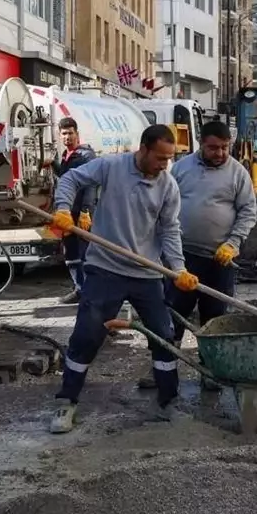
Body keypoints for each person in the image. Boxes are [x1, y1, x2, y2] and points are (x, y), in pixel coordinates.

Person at [48, 125, 199, 433]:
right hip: (105, 269)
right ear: (143, 149)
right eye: (160, 158)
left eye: (169, 159)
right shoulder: (111, 167)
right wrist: (63, 208)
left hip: (147, 273)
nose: (165, 165)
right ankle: (66, 401)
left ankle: (167, 401)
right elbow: (71, 178)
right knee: (87, 335)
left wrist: (179, 268)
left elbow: (170, 230)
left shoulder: (167, 186)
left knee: (163, 336)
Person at [140, 120, 257, 391]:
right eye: (213, 148)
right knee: (172, 315)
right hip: (182, 258)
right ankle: (162, 368)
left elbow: (248, 211)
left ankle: (210, 370)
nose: (220, 153)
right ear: (201, 144)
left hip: (220, 260)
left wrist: (233, 243)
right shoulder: (181, 169)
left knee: (214, 319)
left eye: (225, 147)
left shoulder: (238, 173)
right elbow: (162, 205)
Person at [52, 117, 96, 305]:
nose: (67, 137)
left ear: (77, 134)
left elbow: (90, 185)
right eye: (64, 134)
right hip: (67, 212)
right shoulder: (66, 155)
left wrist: (86, 211)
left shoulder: (86, 156)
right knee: (70, 253)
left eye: (70, 133)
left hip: (81, 213)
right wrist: (52, 164)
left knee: (85, 253)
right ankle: (79, 289)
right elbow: (65, 178)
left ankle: (90, 292)